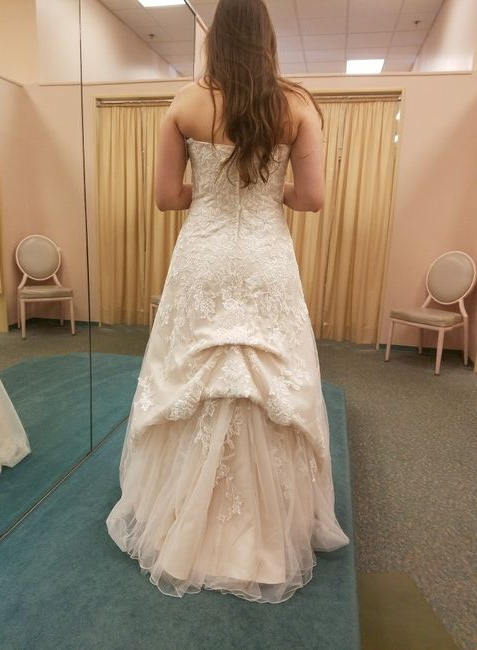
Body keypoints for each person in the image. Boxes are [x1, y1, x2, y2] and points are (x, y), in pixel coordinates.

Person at [106, 0, 349, 604]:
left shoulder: (184, 103)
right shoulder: (296, 105)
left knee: (193, 375)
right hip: (265, 259)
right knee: (269, 384)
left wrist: (212, 188)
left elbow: (167, 197)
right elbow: (312, 198)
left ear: (215, 39)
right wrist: (267, 190)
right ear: (267, 38)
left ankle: (178, 519)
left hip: (205, 257)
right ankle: (267, 528)